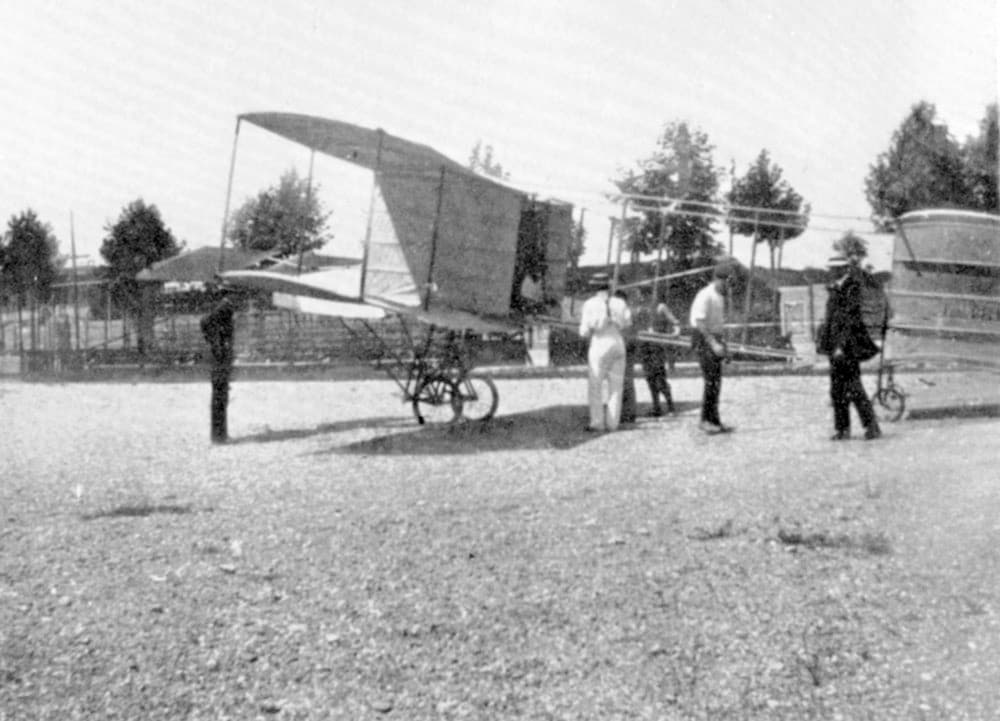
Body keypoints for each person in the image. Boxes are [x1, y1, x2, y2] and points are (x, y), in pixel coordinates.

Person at [820, 253, 882, 441]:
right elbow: (831, 320)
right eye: (831, 269)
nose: (831, 272)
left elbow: (850, 320)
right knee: (837, 389)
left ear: (843, 269)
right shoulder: (835, 289)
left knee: (854, 388)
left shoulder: (851, 288)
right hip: (835, 347)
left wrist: (840, 346)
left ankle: (871, 426)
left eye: (834, 269)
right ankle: (842, 429)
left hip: (848, 346)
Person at [578, 273, 632, 432]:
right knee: (616, 386)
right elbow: (628, 322)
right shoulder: (620, 302)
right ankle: (613, 423)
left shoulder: (589, 304)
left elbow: (584, 331)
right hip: (617, 342)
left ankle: (597, 422)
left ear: (594, 287)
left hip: (600, 343)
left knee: (595, 386)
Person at [689, 262, 734, 434]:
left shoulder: (721, 296)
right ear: (717, 279)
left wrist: (724, 345)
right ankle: (704, 420)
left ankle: (714, 419)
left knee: (716, 382)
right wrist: (713, 343)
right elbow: (700, 322)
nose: (728, 285)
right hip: (703, 338)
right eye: (726, 281)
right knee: (710, 381)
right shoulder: (705, 295)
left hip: (715, 337)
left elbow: (719, 326)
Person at [200, 288, 237, 444]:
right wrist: (216, 343)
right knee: (220, 396)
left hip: (220, 356)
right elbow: (205, 321)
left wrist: (211, 340)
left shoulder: (222, 309)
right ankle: (219, 435)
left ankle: (219, 434)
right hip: (220, 357)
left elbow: (205, 323)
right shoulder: (224, 307)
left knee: (220, 395)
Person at [638, 301, 681, 416]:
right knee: (649, 378)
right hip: (645, 347)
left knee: (660, 379)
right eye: (642, 293)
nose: (644, 297)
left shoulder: (660, 307)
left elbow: (675, 322)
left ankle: (671, 407)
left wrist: (676, 332)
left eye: (647, 292)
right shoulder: (640, 307)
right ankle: (656, 407)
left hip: (657, 347)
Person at [614, 289, 638, 424]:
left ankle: (628, 412)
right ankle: (626, 411)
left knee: (626, 381)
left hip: (627, 347)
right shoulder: (626, 311)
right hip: (626, 346)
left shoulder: (626, 311)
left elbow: (629, 331)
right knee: (624, 381)